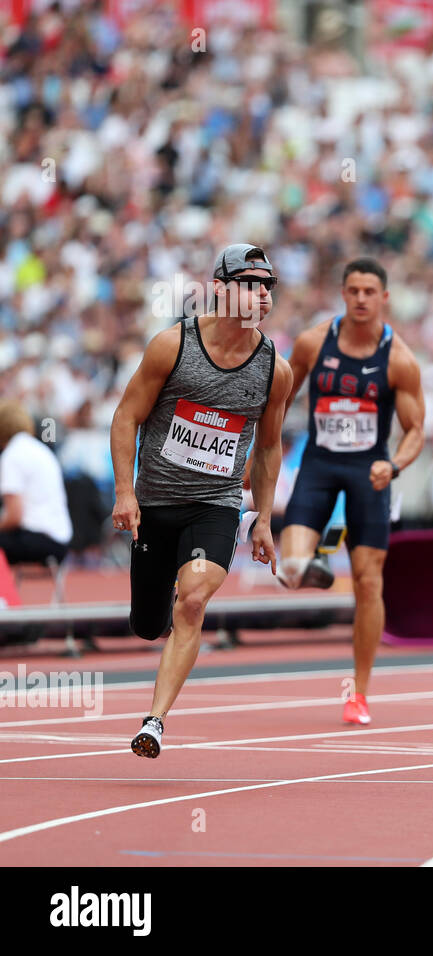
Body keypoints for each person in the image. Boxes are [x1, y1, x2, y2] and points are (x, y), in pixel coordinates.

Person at [111, 243, 293, 758]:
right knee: (149, 625)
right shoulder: (172, 346)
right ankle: (159, 620)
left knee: (192, 601)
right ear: (219, 288)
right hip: (155, 504)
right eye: (250, 284)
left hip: (215, 505)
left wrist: (261, 518)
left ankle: (155, 721)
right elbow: (126, 417)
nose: (261, 296)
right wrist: (126, 492)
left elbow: (269, 445)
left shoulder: (274, 369)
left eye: (267, 287)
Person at [277, 258, 426, 726]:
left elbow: (416, 429)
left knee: (367, 580)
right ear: (343, 294)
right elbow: (278, 400)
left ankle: (358, 693)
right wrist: (261, 456)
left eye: (370, 291)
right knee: (293, 568)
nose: (361, 298)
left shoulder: (399, 359)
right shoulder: (311, 343)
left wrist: (394, 464)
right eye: (353, 290)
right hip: (318, 464)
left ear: (384, 298)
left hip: (368, 472)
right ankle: (315, 561)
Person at [0, 401, 73, 569]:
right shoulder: (41, 450)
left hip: (39, 540)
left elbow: (14, 516)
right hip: (60, 540)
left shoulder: (11, 456)